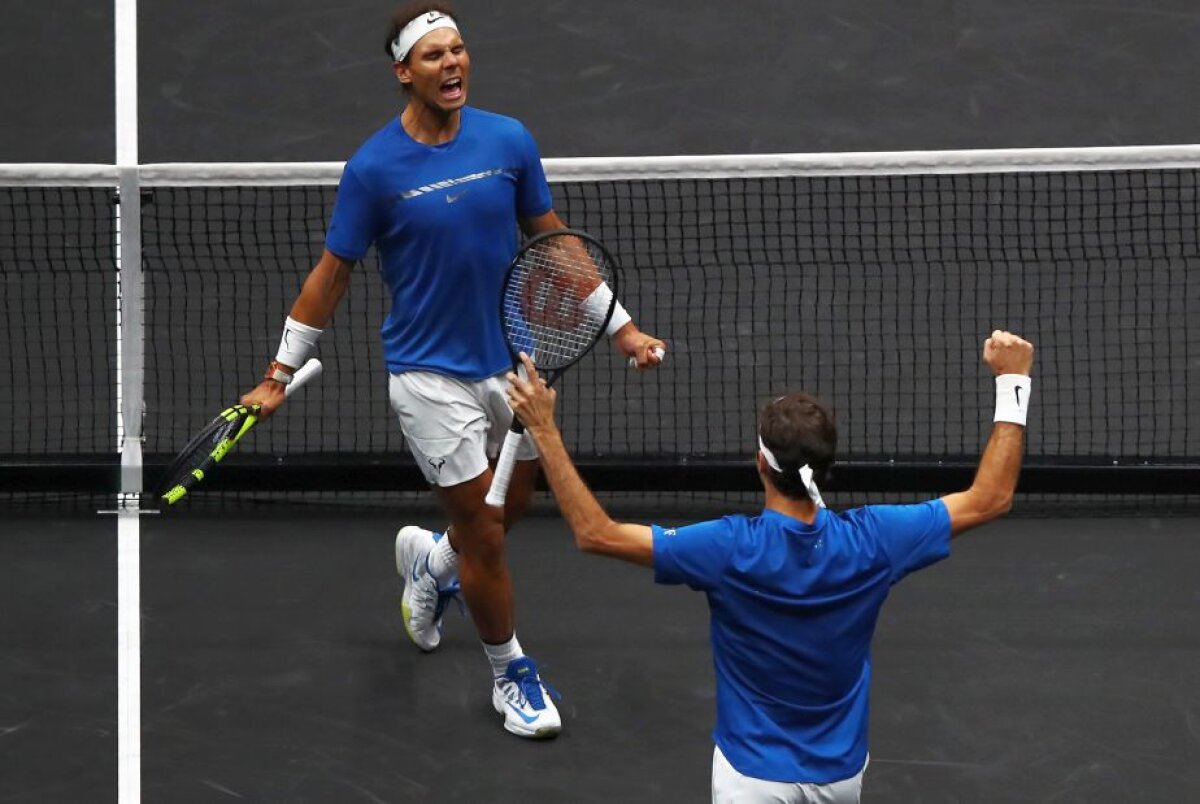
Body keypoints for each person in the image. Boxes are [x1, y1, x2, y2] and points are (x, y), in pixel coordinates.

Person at [239, 1, 666, 740]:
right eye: (435, 56)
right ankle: (510, 675)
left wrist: (622, 328)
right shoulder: (373, 170)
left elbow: (554, 242)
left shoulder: (508, 140)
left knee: (505, 514)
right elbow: (332, 275)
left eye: (460, 51)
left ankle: (433, 564)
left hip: (512, 362)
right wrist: (280, 371)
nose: (453, 65)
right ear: (404, 73)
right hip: (429, 376)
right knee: (489, 538)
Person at [506, 331, 1034, 801]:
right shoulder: (878, 540)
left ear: (760, 462)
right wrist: (1013, 380)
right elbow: (990, 498)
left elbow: (596, 533)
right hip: (840, 777)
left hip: (751, 780)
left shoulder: (729, 548)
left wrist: (545, 430)